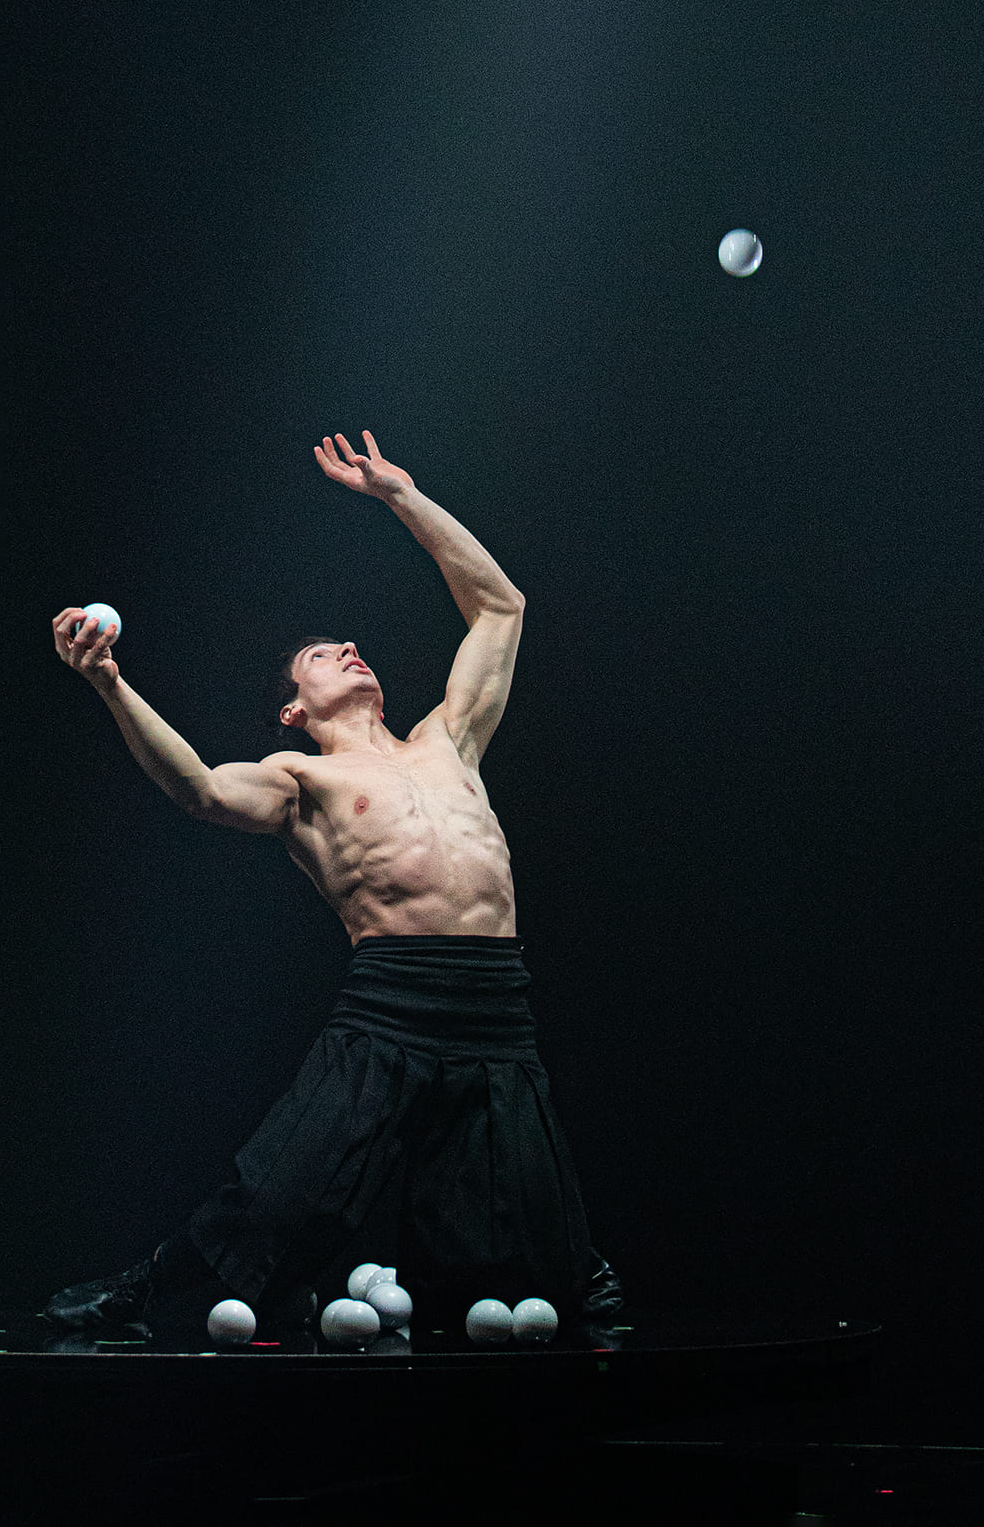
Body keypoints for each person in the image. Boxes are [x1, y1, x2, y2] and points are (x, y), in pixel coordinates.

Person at [44, 429, 622, 1338]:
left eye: (349, 644)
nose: (349, 648)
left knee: (526, 1213)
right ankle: (150, 1288)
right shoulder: (299, 777)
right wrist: (110, 683)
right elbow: (200, 790)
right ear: (293, 709)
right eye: (322, 655)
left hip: (495, 1003)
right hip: (392, 1000)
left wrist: (401, 495)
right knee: (289, 1182)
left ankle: (558, 1277)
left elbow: (500, 608)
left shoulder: (449, 740)